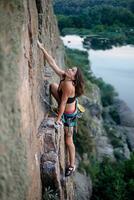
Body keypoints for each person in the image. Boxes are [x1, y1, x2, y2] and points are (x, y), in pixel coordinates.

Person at [37, 40, 84, 176]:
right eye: (71, 69)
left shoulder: (69, 86)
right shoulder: (64, 76)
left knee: (69, 140)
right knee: (52, 86)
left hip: (69, 115)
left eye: (72, 70)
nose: (69, 69)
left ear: (74, 77)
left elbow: (63, 103)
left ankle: (72, 165)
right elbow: (52, 63)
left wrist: (58, 119)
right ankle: (59, 114)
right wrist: (42, 48)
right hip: (66, 104)